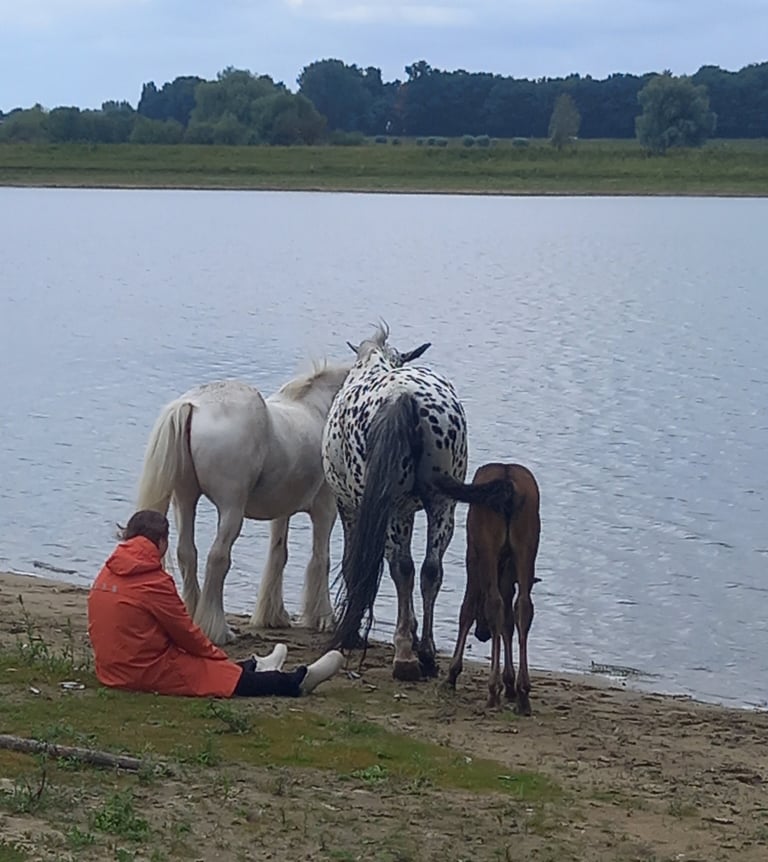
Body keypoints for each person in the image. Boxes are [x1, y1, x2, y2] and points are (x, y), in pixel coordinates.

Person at [87, 509, 344, 698]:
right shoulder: (153, 581)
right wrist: (218, 657)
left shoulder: (107, 572)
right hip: (144, 671)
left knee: (209, 669)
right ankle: (297, 681)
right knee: (222, 678)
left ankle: (258, 666)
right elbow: (186, 634)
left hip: (112, 669)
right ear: (162, 542)